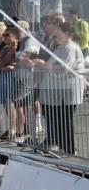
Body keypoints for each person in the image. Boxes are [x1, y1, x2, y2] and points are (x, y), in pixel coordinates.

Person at [28, 21, 85, 154]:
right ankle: (62, 147)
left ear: (67, 34)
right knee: (60, 119)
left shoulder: (70, 47)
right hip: (60, 89)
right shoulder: (61, 47)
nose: (56, 35)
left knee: (65, 120)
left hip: (68, 90)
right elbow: (52, 64)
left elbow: (65, 68)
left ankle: (69, 149)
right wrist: (42, 65)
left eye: (58, 32)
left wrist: (44, 65)